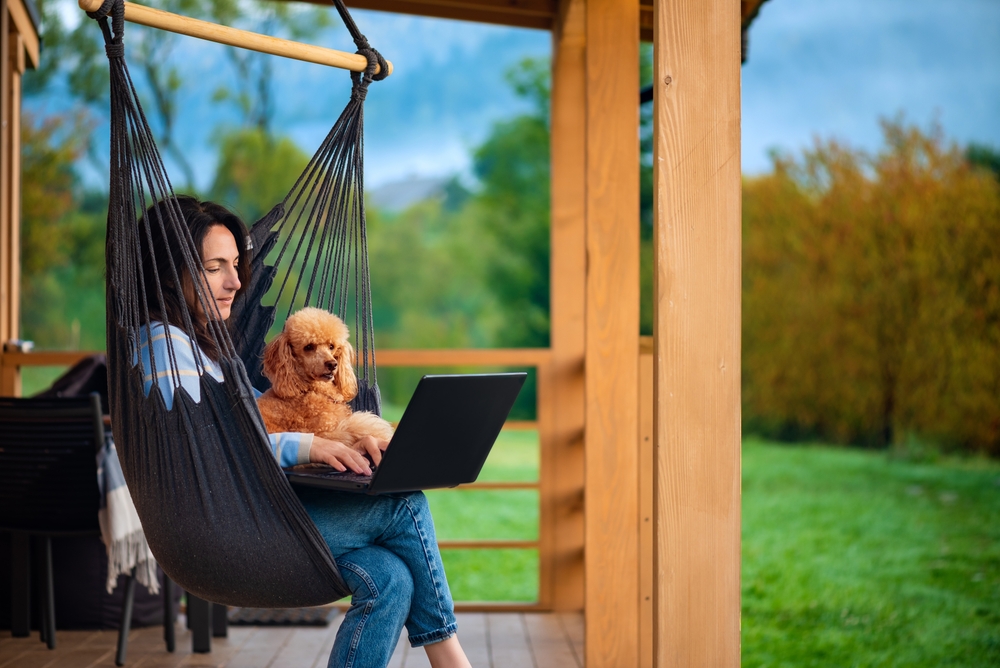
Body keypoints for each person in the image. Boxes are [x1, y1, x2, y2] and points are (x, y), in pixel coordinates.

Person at [135, 195, 472, 668]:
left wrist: (351, 437)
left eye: (235, 265)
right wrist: (308, 443)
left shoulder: (199, 347)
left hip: (247, 520)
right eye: (215, 268)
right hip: (221, 537)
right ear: (171, 272)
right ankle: (452, 661)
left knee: (390, 575)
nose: (235, 282)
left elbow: (250, 419)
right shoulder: (163, 349)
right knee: (402, 502)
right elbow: (210, 450)